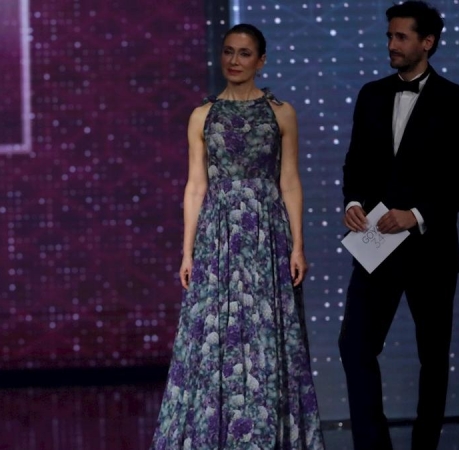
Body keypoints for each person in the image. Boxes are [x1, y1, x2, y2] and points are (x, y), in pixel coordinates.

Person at [150, 23, 325, 449]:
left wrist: (298, 245)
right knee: (214, 333)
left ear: (261, 60)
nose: (234, 61)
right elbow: (195, 186)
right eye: (229, 52)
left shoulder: (281, 112)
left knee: (267, 331)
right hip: (218, 234)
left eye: (245, 54)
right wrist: (187, 251)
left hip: (267, 234)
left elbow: (289, 182)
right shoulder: (202, 115)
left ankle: (268, 436)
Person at [339, 2, 459, 449]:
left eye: (400, 37)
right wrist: (354, 202)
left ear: (428, 42)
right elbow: (356, 161)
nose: (391, 45)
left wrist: (417, 215)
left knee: (432, 358)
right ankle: (373, 444)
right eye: (389, 36)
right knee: (355, 346)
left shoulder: (456, 100)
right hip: (374, 240)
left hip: (430, 249)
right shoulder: (371, 94)